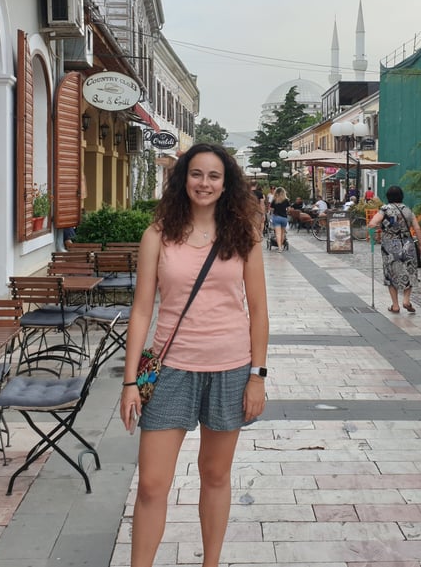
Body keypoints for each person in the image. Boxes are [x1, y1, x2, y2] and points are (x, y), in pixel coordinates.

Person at [121, 144, 269, 567]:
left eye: (214, 176)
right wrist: (130, 381)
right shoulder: (158, 235)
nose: (204, 183)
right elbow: (141, 311)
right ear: (183, 178)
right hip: (170, 369)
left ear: (226, 184)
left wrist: (257, 376)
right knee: (152, 484)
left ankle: (211, 563)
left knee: (216, 475)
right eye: (197, 174)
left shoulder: (243, 236)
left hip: (230, 369)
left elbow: (259, 310)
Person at [367, 185, 421, 314]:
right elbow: (417, 228)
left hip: (390, 246)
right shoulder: (408, 210)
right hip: (408, 244)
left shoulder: (384, 210)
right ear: (401, 196)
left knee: (391, 274)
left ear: (388, 197)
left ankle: (395, 305)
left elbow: (372, 223)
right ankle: (406, 300)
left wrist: (382, 228)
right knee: (410, 271)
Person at [269, 187, 290, 251]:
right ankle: (281, 245)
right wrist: (286, 212)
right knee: (283, 233)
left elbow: (271, 209)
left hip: (276, 217)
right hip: (284, 218)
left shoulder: (274, 200)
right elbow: (289, 209)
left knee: (278, 233)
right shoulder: (286, 200)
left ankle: (280, 248)